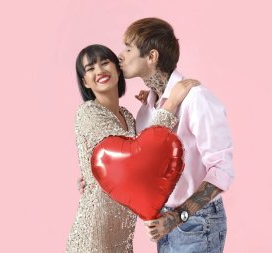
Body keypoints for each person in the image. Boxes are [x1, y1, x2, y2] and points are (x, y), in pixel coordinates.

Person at [66, 44, 198, 253]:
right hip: (92, 236)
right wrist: (170, 103)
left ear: (117, 69)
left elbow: (142, 159)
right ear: (85, 81)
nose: (99, 71)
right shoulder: (88, 113)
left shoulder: (127, 116)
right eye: (90, 68)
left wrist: (153, 100)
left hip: (122, 235)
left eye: (104, 62)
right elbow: (138, 153)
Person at [118, 18, 234, 252]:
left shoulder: (196, 98)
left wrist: (177, 217)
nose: (120, 55)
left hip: (197, 222)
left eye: (128, 48)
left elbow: (222, 171)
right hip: (166, 221)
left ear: (151, 57)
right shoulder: (147, 110)